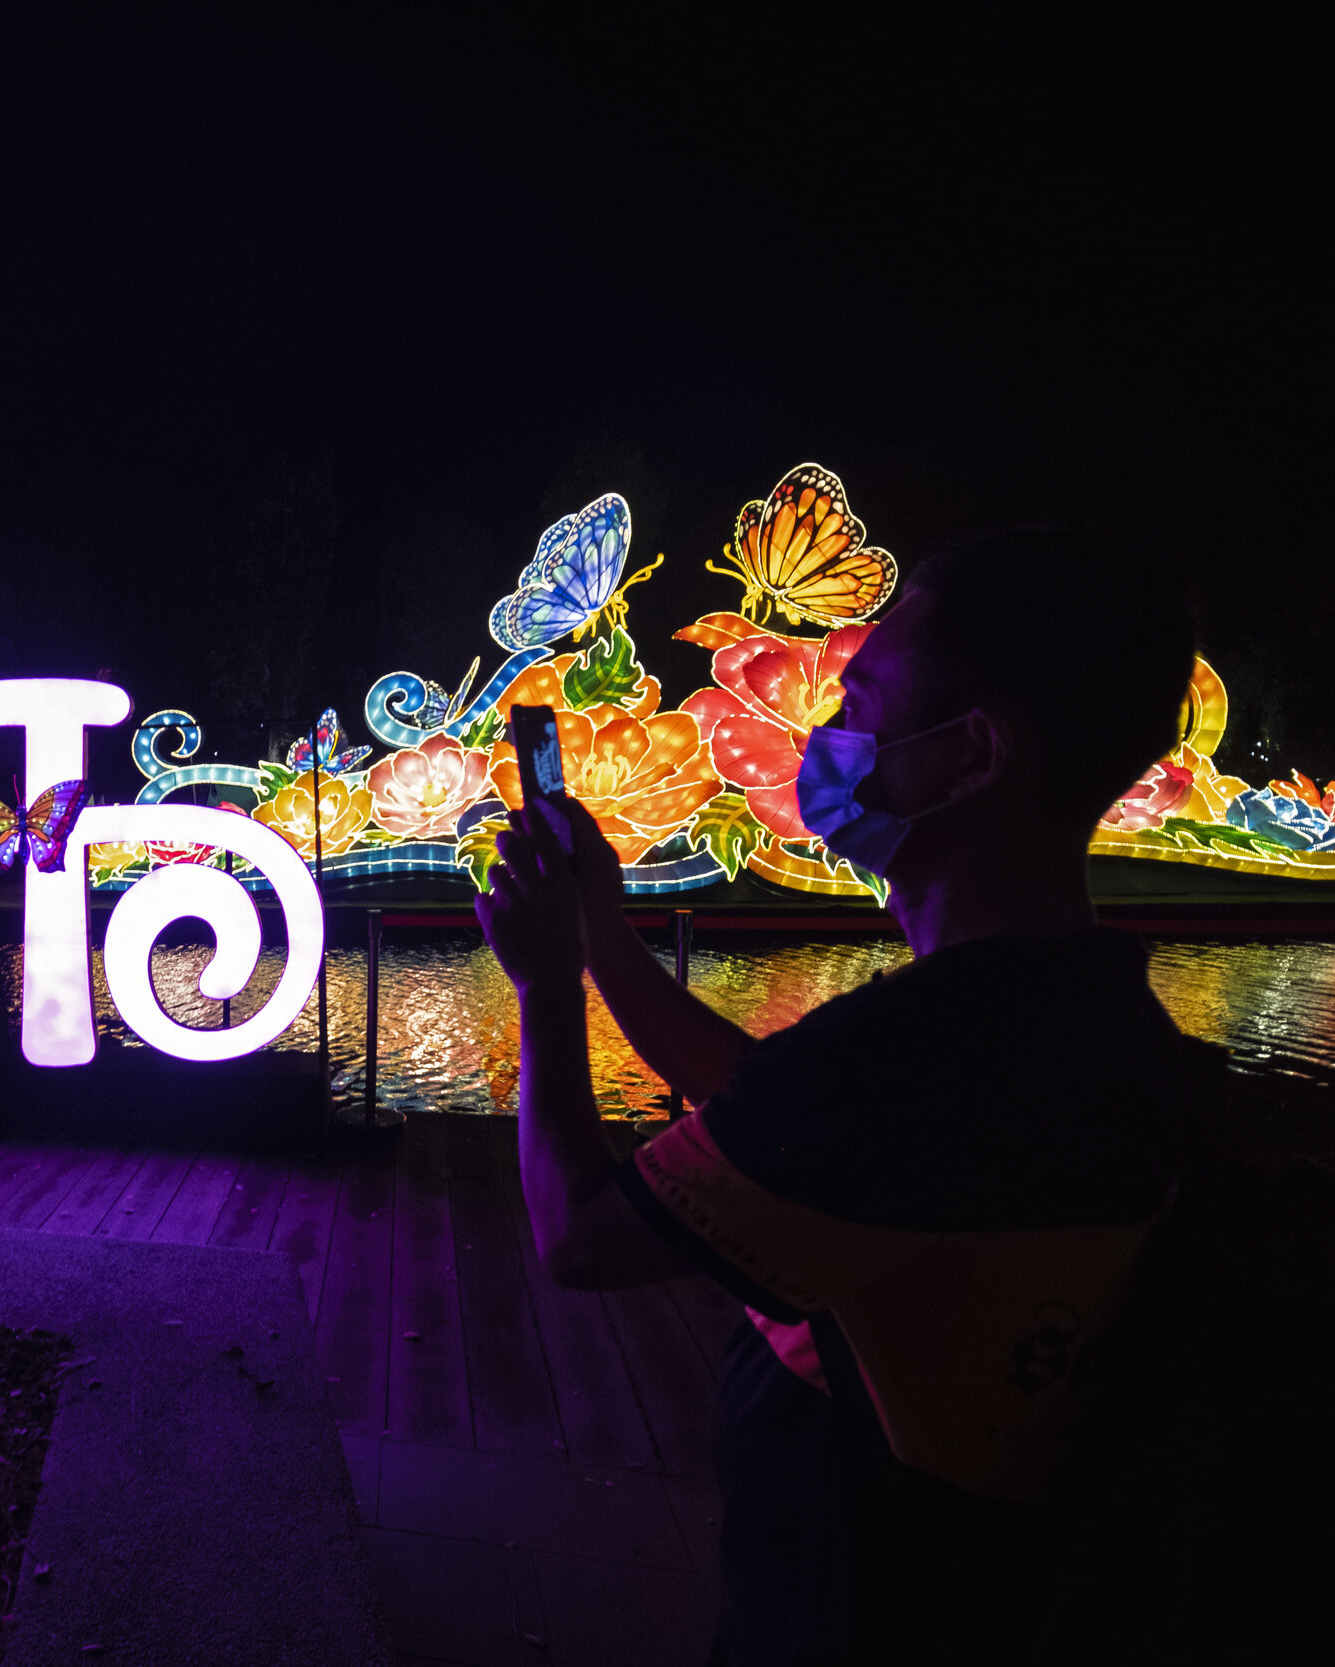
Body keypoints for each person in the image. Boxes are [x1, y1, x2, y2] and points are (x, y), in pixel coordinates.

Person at [474, 530, 1216, 1664]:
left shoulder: (922, 1052)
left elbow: (579, 1233)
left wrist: (540, 984)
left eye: (862, 702)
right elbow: (783, 1107)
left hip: (848, 1602)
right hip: (993, 1592)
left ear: (971, 755)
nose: (828, 735)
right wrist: (604, 942)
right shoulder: (1095, 1020)